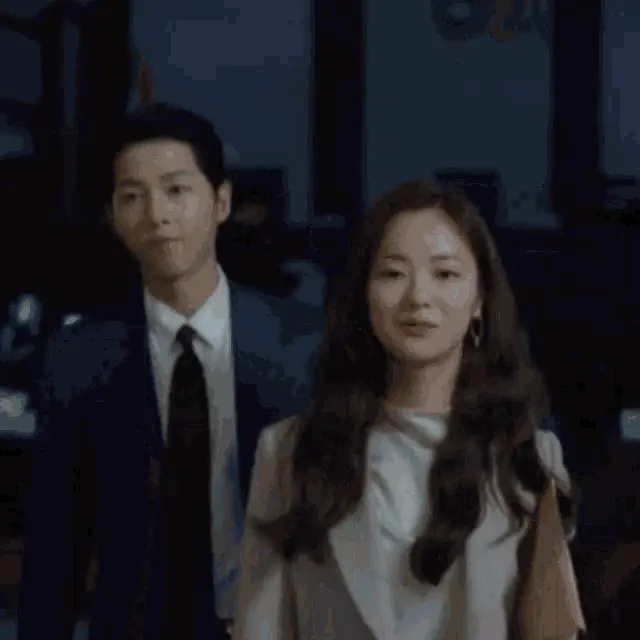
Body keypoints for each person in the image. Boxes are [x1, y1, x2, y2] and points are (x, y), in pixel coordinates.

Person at [17, 103, 322, 639]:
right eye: (132, 196)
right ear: (113, 215)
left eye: (177, 190)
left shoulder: (304, 346)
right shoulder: (78, 358)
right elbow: (54, 551)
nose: (156, 214)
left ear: (221, 202)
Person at [233, 180, 579, 639]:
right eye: (393, 273)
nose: (418, 297)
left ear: (479, 300)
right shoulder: (288, 452)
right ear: (364, 295)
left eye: (445, 274)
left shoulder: (528, 458)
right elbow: (259, 630)